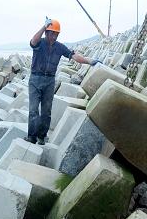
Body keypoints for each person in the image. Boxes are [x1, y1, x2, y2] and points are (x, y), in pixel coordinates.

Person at [26, 17, 99, 145]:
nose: (54, 36)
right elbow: (33, 41)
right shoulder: (40, 43)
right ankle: (31, 137)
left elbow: (74, 56)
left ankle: (42, 137)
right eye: (52, 33)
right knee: (33, 110)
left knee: (46, 111)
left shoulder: (60, 47)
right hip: (35, 79)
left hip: (49, 81)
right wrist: (44, 26)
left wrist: (90, 61)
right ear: (47, 32)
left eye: (56, 34)